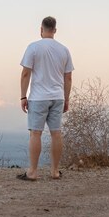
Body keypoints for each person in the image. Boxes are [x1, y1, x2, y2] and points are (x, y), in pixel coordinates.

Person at [18, 16, 74, 181]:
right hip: (58, 97)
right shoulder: (64, 50)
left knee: (36, 133)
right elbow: (68, 77)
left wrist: (23, 96)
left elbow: (26, 73)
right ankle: (55, 171)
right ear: (55, 30)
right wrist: (66, 98)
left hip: (38, 98)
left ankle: (33, 172)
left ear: (41, 29)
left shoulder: (33, 47)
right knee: (56, 134)